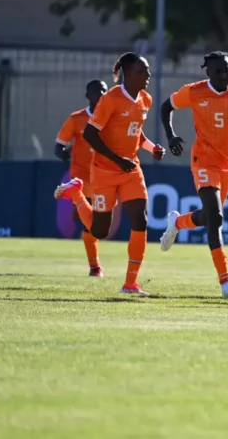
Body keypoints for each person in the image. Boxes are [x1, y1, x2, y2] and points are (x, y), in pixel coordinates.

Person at [53, 52, 165, 296]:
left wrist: (151, 147)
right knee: (100, 231)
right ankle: (76, 194)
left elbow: (136, 132)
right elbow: (91, 135)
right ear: (127, 73)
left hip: (130, 169)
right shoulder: (111, 98)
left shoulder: (145, 99)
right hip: (104, 170)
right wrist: (117, 159)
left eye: (147, 71)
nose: (147, 75)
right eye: (141, 71)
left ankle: (130, 283)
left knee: (140, 220)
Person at [158, 51, 228, 300]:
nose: (225, 75)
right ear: (208, 72)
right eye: (219, 71)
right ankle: (225, 282)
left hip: (227, 165)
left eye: (227, 69)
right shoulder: (194, 91)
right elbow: (166, 107)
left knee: (208, 217)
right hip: (203, 160)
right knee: (216, 217)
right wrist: (171, 135)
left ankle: (177, 223)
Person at [54, 79, 108, 277]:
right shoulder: (77, 119)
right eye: (96, 91)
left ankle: (95, 266)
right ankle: (95, 267)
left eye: (104, 91)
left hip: (104, 178)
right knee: (90, 225)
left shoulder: (112, 118)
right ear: (88, 96)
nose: (101, 94)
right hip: (82, 178)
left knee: (98, 224)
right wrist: (64, 152)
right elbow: (59, 146)